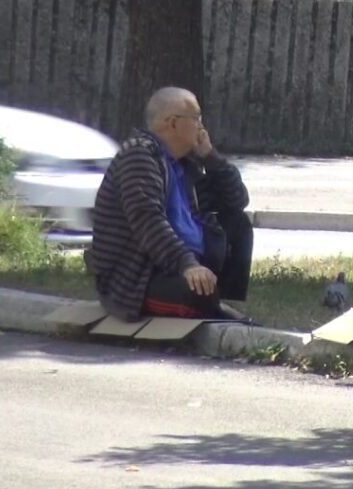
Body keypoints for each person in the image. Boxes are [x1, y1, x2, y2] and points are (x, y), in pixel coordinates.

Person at [85, 87, 253, 322]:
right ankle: (211, 302)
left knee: (238, 223)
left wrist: (210, 157)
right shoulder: (139, 155)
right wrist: (187, 265)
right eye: (196, 119)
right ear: (172, 123)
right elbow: (148, 220)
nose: (202, 127)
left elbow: (237, 200)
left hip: (183, 265)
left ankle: (217, 299)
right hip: (142, 275)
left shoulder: (185, 164)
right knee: (197, 296)